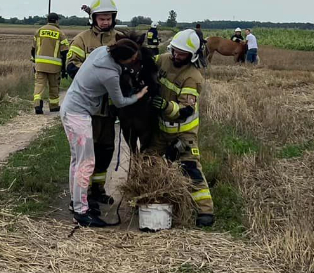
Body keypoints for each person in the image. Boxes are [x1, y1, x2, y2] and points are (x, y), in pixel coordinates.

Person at [61, 38, 149, 226]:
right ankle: (81, 213)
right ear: (122, 59)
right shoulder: (109, 74)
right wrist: (138, 95)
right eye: (132, 59)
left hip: (71, 108)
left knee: (77, 161)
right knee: (86, 163)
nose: (133, 62)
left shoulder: (101, 51)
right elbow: (120, 102)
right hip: (77, 115)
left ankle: (77, 203)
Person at [66, 0, 121, 211]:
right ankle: (84, 192)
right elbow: (71, 65)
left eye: (108, 18)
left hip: (109, 108)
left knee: (106, 148)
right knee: (88, 151)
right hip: (87, 107)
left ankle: (98, 189)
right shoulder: (82, 39)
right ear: (94, 18)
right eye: (101, 18)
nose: (105, 22)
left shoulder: (119, 39)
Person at [155, 29, 214, 227]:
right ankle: (150, 199)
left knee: (190, 168)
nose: (176, 56)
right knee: (150, 161)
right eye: (175, 51)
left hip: (183, 133)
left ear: (192, 56)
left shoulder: (193, 77)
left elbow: (185, 110)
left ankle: (205, 211)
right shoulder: (163, 60)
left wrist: (165, 106)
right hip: (162, 131)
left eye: (182, 54)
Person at [30, 12, 68, 114]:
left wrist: (34, 62)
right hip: (54, 66)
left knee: (39, 85)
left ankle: (37, 105)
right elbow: (65, 52)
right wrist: (64, 68)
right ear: (57, 21)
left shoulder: (39, 31)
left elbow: (33, 49)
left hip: (40, 65)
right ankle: (54, 106)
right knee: (54, 86)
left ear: (47, 20)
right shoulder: (60, 33)